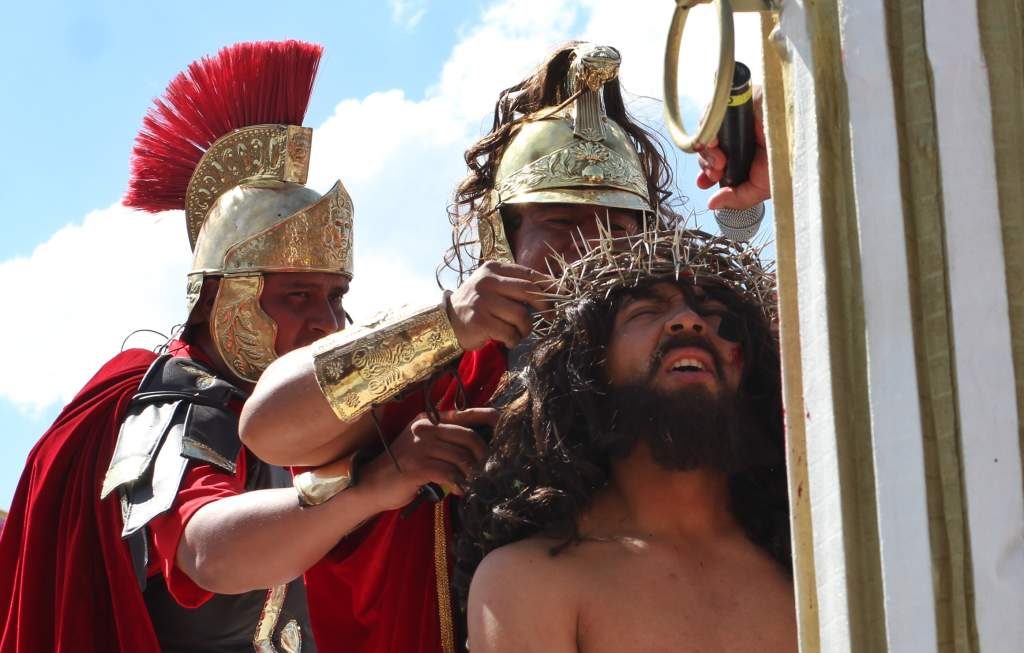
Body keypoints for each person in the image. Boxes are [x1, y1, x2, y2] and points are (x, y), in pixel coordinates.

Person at [239, 42, 679, 653]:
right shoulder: (446, 369)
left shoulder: (693, 363)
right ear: (504, 236)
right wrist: (446, 324)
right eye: (558, 222)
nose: (590, 248)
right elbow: (268, 428)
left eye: (615, 225)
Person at [0, 40, 355, 652]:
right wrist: (375, 487)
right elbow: (207, 548)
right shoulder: (185, 405)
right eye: (299, 297)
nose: (330, 322)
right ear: (225, 299)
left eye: (336, 295)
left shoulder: (299, 413)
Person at [458, 227, 795, 652]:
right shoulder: (530, 580)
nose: (688, 320)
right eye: (644, 311)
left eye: (714, 313)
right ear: (589, 367)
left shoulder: (811, 567)